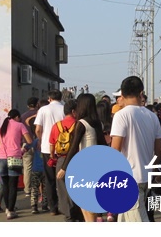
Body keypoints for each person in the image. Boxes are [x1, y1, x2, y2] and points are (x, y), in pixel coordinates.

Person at [110, 75, 161, 222]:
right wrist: (154, 168)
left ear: (122, 93)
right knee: (125, 219)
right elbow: (159, 149)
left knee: (138, 220)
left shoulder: (121, 115)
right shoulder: (152, 116)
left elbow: (115, 149)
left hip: (130, 177)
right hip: (146, 176)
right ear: (141, 93)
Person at [59, 93, 106, 222]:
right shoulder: (98, 123)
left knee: (85, 203)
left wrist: (64, 168)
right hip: (97, 165)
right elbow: (103, 145)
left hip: (85, 165)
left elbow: (73, 147)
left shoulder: (81, 123)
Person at [0, 109, 33, 219]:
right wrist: (24, 149)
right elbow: (29, 141)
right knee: (13, 185)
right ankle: (11, 211)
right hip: (14, 157)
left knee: (5, 185)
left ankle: (7, 208)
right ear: (17, 117)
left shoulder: (2, 127)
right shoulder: (20, 125)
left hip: (1, 157)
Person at [33, 89, 65, 215]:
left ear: (49, 98)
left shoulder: (43, 110)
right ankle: (65, 205)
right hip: (63, 148)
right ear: (61, 98)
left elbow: (38, 129)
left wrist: (41, 141)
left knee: (50, 178)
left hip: (47, 148)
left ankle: (53, 207)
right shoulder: (64, 109)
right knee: (63, 178)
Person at [50, 99, 80, 221]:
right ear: (74, 111)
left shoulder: (56, 126)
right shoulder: (78, 124)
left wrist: (53, 157)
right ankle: (79, 213)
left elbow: (52, 144)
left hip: (61, 159)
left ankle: (68, 214)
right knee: (78, 186)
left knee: (62, 189)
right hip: (77, 159)